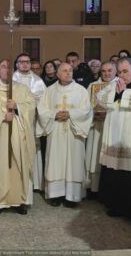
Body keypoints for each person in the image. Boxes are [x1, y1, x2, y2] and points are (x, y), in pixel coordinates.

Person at [0, 59, 36, 215]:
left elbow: (31, 107)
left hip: (18, 135)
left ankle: (18, 201)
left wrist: (17, 108)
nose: (6, 70)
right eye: (3, 67)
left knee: (18, 164)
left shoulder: (23, 90)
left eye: (9, 67)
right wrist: (2, 116)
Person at [37, 63, 93, 207]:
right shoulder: (49, 91)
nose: (68, 73)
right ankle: (56, 194)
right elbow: (42, 110)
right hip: (55, 131)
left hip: (74, 132)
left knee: (73, 162)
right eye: (64, 71)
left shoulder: (81, 91)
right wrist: (54, 115)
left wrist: (70, 114)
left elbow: (86, 110)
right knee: (55, 161)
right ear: (58, 74)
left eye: (70, 70)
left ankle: (72, 196)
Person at [97, 57, 131, 223]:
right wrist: (116, 92)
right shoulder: (115, 84)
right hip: (115, 139)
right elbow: (100, 98)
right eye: (120, 71)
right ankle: (117, 206)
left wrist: (123, 93)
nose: (122, 75)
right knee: (116, 175)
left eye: (125, 71)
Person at [13, 53, 46, 191]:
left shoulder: (38, 81)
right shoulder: (11, 79)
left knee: (32, 148)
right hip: (14, 120)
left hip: (31, 121)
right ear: (17, 64)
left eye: (27, 61)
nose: (25, 64)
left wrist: (27, 104)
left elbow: (43, 102)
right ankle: (15, 181)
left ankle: (34, 182)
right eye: (22, 62)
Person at [85, 61, 117, 197]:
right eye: (104, 71)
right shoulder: (93, 86)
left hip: (112, 128)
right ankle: (93, 188)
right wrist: (93, 115)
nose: (106, 73)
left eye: (110, 70)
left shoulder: (120, 86)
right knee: (94, 157)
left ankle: (108, 190)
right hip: (96, 126)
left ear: (115, 71)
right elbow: (85, 106)